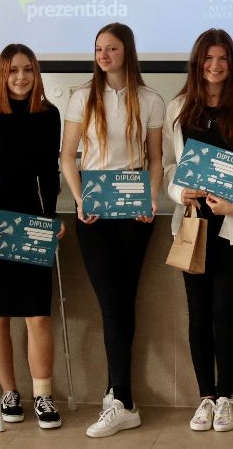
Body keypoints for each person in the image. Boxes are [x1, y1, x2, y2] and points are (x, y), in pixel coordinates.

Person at [60, 22, 165, 439]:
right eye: (99, 49)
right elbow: (67, 157)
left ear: (128, 52)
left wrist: (151, 199)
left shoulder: (150, 99)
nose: (104, 55)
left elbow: (155, 160)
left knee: (123, 299)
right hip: (94, 214)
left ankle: (119, 397)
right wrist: (80, 199)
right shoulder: (81, 97)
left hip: (135, 214)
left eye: (112, 48)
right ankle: (121, 398)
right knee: (111, 301)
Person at [163, 29, 233, 434]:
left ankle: (225, 397)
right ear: (197, 62)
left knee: (225, 311)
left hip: (231, 227)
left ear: (232, 63)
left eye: (222, 58)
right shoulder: (178, 108)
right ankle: (205, 397)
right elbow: (168, 166)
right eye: (208, 58)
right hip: (192, 225)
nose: (215, 66)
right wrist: (179, 192)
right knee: (198, 313)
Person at [0, 43, 64, 429]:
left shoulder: (49, 115)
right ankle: (9, 392)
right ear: (2, 75)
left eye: (27, 69)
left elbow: (49, 175)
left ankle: (43, 396)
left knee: (38, 313)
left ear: (36, 73)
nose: (21, 77)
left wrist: (52, 218)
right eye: (13, 70)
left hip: (33, 222)